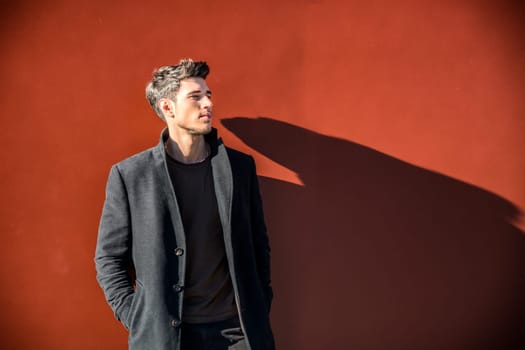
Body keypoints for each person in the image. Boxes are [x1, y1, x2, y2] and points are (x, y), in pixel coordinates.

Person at [95, 59, 275, 350]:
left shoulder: (240, 168)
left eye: (209, 95)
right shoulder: (130, 175)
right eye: (195, 97)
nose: (208, 103)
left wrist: (260, 303)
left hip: (237, 334)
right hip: (166, 338)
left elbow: (259, 244)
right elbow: (108, 259)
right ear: (168, 107)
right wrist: (138, 317)